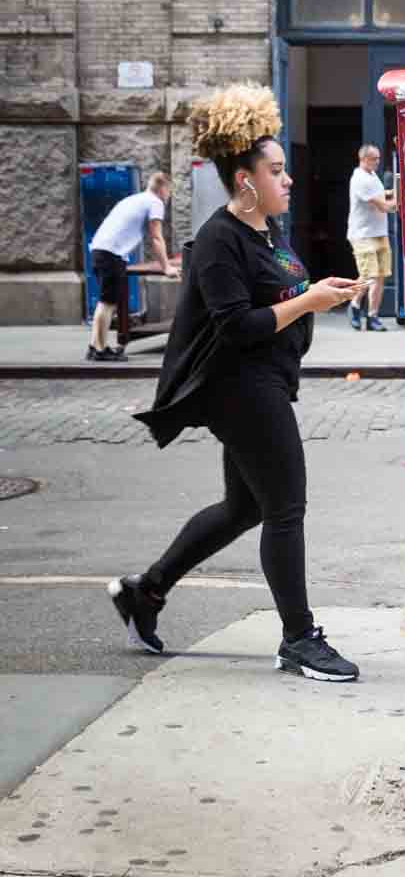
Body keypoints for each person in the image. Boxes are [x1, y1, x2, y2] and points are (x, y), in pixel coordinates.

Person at [110, 84, 363, 683]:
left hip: (265, 380)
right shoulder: (220, 240)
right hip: (242, 388)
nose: (289, 180)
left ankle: (146, 591)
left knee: (244, 506)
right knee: (286, 507)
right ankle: (299, 639)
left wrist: (318, 292)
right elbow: (237, 326)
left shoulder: (267, 232)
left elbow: (277, 292)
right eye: (276, 171)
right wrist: (308, 301)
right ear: (245, 179)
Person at [87, 171, 177, 362]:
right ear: (163, 188)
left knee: (105, 302)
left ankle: (94, 346)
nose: (168, 195)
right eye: (169, 191)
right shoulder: (155, 202)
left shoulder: (134, 199)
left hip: (99, 250)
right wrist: (167, 267)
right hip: (112, 254)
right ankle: (101, 351)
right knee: (107, 303)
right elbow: (156, 237)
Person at [347, 142, 397, 331]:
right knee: (370, 275)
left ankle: (372, 316)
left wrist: (389, 192)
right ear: (363, 159)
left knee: (381, 276)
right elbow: (383, 206)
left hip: (379, 233)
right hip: (363, 234)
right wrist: (400, 197)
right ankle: (354, 304)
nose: (377, 162)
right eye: (373, 159)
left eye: (378, 158)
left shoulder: (372, 175)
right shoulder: (360, 178)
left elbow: (380, 194)